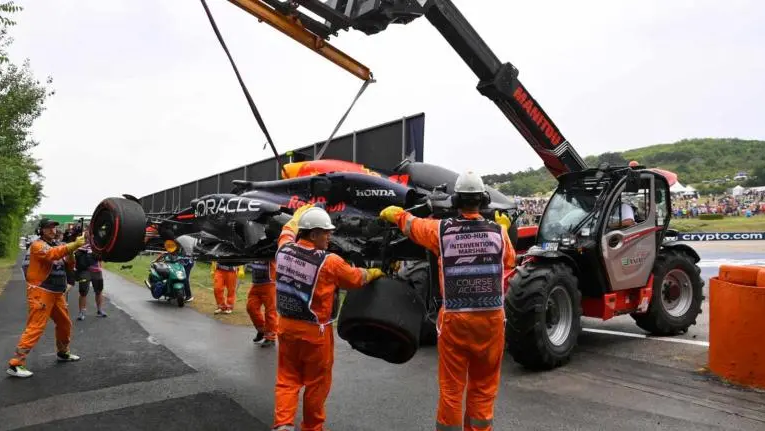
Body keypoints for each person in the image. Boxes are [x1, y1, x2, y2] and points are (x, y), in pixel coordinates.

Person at [379, 171, 516, 431]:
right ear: (484, 200)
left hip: (456, 319)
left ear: (455, 200)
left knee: (452, 389)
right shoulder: (498, 232)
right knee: (484, 389)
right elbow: (509, 260)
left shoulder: (441, 231)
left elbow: (413, 227)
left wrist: (396, 214)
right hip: (491, 322)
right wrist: (504, 230)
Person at [272, 205, 385, 431]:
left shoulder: (283, 251)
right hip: (315, 334)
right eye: (326, 232)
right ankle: (312, 427)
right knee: (317, 384)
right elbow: (355, 279)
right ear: (313, 234)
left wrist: (297, 217)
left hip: (285, 328)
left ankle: (283, 425)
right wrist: (373, 272)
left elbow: (286, 231)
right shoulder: (329, 262)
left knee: (287, 379)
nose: (330, 235)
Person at [6, 218, 87, 378]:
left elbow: (69, 265)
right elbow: (51, 255)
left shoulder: (58, 245)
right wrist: (73, 245)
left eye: (54, 227)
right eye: (48, 228)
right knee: (36, 327)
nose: (52, 230)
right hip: (41, 292)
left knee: (65, 323)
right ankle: (16, 364)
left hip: (57, 293)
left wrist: (71, 251)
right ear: (41, 230)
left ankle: (63, 352)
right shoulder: (37, 245)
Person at [246, 259, 278, 348]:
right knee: (251, 307)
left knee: (270, 312)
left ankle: (271, 337)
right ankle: (262, 330)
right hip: (256, 284)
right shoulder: (254, 247)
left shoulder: (269, 247)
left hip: (269, 284)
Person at [75, 243, 107, 320]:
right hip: (85, 271)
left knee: (99, 291)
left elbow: (102, 258)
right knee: (83, 292)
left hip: (97, 271)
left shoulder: (98, 245)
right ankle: (81, 312)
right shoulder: (80, 245)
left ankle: (99, 310)